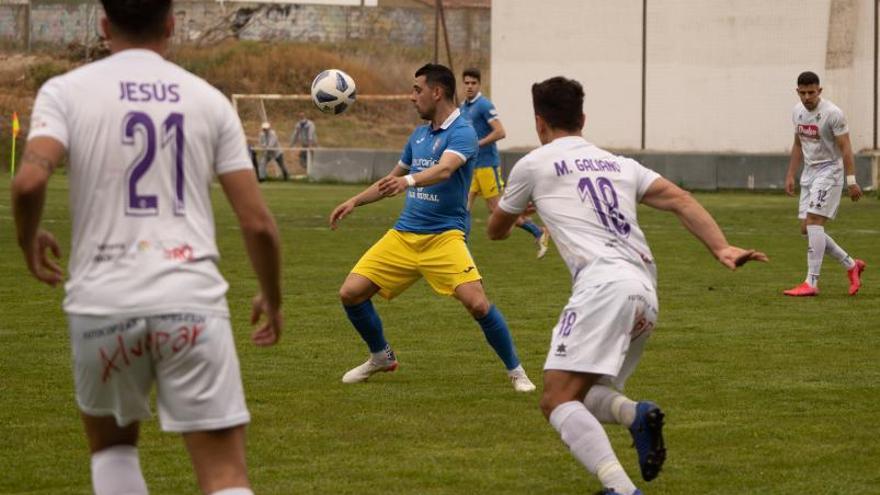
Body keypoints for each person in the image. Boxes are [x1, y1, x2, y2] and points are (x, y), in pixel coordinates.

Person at [11, 1, 284, 494]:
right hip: (190, 301)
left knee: (113, 454)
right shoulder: (207, 100)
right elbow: (258, 223)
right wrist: (272, 296)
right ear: (171, 24)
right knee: (224, 475)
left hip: (102, 303)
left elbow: (28, 182)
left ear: (103, 24)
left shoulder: (66, 91)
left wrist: (29, 241)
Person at [487, 76, 767, 495]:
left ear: (539, 122)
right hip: (645, 292)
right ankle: (636, 415)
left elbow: (495, 230)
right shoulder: (620, 164)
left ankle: (619, 489)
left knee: (555, 400)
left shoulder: (533, 164)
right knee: (588, 393)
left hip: (602, 287)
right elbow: (680, 199)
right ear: (582, 118)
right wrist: (721, 248)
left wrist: (518, 209)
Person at [329, 63, 535, 392]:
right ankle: (381, 356)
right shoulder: (419, 135)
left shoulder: (464, 131)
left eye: (417, 90)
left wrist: (407, 181)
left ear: (436, 92)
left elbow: (444, 170)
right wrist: (355, 200)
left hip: (444, 238)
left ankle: (516, 372)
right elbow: (391, 181)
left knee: (478, 304)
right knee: (350, 294)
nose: (412, 97)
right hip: (404, 235)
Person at [783, 71, 865, 297]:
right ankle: (851, 265)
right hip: (809, 174)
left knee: (814, 222)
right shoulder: (797, 112)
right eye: (803, 93)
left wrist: (851, 181)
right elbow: (798, 144)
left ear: (819, 91)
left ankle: (811, 282)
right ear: (797, 92)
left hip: (830, 171)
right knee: (806, 229)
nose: (807, 97)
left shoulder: (833, 114)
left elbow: (846, 147)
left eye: (811, 92)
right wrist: (791, 174)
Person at [460, 67, 550, 258]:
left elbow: (500, 132)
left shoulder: (484, 105)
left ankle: (538, 231)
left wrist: (477, 144)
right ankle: (460, 248)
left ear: (479, 84)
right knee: (463, 206)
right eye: (466, 83)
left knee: (497, 210)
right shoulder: (463, 108)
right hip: (472, 167)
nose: (469, 86)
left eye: (473, 83)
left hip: (486, 165)